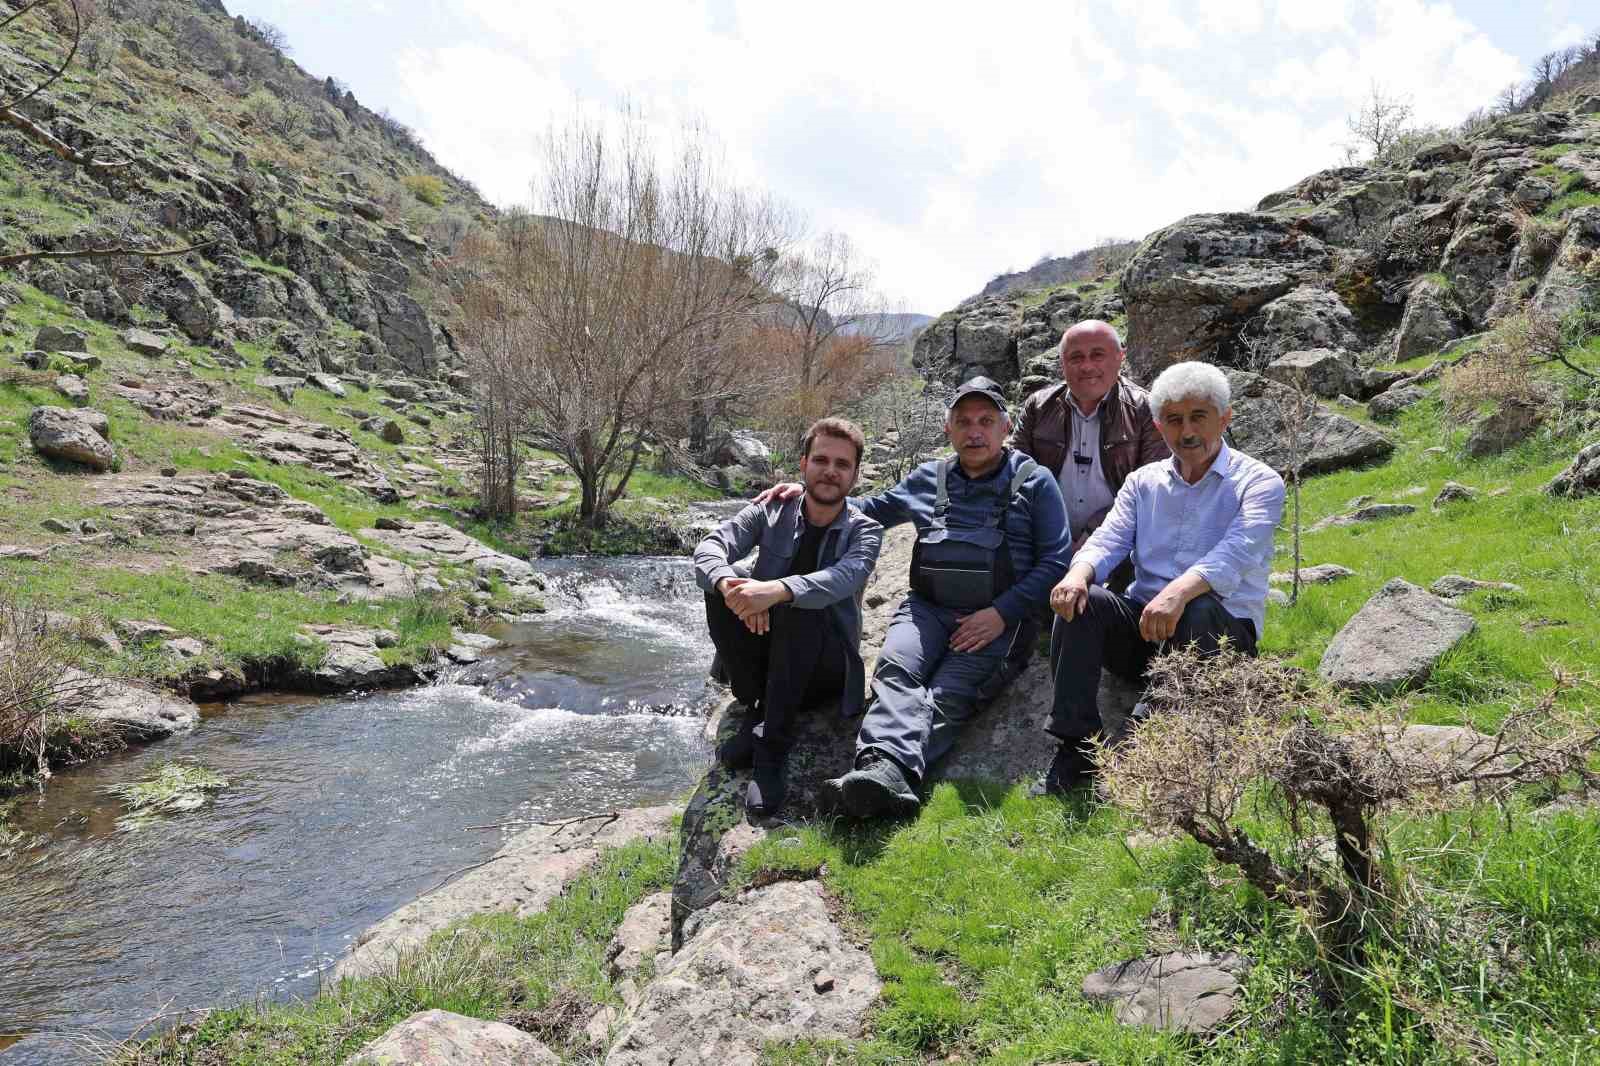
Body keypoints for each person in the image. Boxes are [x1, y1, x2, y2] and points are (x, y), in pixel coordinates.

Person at [760, 377, 1071, 816]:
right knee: (895, 671)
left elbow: (1057, 562)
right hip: (925, 610)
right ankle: (882, 775)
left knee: (947, 692)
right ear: (949, 430)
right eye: (963, 422)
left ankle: (884, 772)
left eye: (986, 421)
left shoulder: (1036, 482)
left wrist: (1001, 613)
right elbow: (864, 510)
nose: (974, 431)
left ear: (1007, 427)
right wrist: (809, 490)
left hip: (996, 621)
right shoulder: (929, 478)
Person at [1045, 361, 1286, 793]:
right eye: (1174, 420)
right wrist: (1078, 575)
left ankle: (1148, 739)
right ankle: (1075, 746)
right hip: (1147, 630)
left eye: (1200, 416)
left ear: (1225, 417)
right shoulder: (1143, 482)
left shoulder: (1259, 482)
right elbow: (1108, 539)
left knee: (1197, 603)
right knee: (1083, 601)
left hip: (1218, 637)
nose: (1187, 431)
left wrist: (1178, 591)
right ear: (1159, 426)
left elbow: (1236, 553)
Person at [693, 417, 883, 816]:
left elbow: (841, 579)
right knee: (723, 588)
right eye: (821, 460)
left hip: (825, 668)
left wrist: (776, 591)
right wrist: (729, 586)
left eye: (842, 464)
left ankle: (770, 750)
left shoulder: (865, 530)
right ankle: (756, 707)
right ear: (803, 464)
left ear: (855, 474)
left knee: (799, 601)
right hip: (770, 661)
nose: (830, 471)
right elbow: (713, 545)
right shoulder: (772, 509)